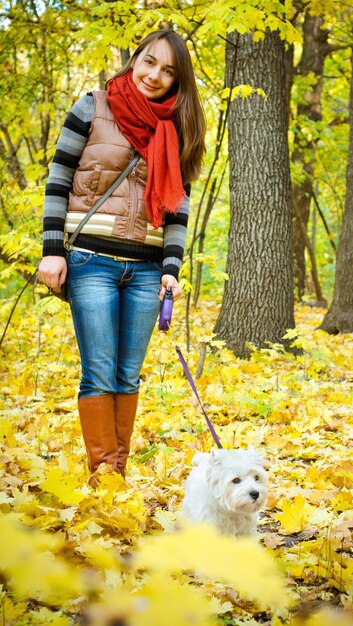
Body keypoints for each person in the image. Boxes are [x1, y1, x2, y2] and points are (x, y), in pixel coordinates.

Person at [37, 29, 206, 486]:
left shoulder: (179, 126)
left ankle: (116, 476)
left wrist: (171, 269)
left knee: (128, 376)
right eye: (150, 62)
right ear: (136, 58)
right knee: (99, 372)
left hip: (149, 270)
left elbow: (178, 209)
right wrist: (53, 251)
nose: (155, 75)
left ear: (178, 80)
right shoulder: (92, 106)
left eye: (168, 70)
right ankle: (104, 478)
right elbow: (58, 181)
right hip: (91, 260)